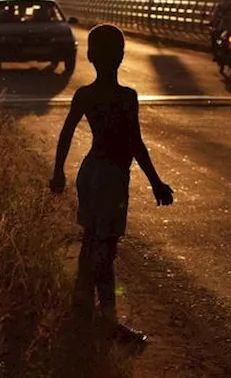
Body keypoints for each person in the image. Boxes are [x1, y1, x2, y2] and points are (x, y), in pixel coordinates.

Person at [50, 24, 174, 345]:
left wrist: (59, 171)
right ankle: (108, 322)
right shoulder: (126, 97)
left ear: (90, 56)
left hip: (89, 173)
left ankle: (81, 307)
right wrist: (156, 182)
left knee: (90, 239)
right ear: (121, 56)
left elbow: (65, 134)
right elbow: (136, 143)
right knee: (106, 248)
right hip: (111, 177)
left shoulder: (85, 95)